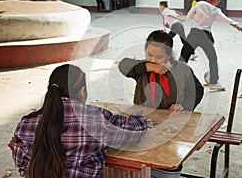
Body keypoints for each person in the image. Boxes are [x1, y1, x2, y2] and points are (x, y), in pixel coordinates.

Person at [8, 64, 148, 178]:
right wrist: (137, 117)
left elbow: (22, 165)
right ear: (82, 91)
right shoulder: (93, 118)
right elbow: (132, 133)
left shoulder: (25, 124)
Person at [119, 30, 204, 112]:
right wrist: (148, 66)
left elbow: (197, 90)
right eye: (149, 55)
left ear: (168, 56)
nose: (153, 60)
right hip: (143, 116)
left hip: (173, 118)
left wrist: (184, 106)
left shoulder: (183, 70)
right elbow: (123, 65)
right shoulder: (142, 68)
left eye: (159, 57)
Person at [186, 0, 242, 90]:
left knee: (184, 56)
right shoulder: (215, 10)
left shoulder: (199, 4)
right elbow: (226, 19)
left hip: (193, 33)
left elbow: (189, 16)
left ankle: (175, 78)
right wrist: (236, 25)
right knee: (212, 58)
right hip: (204, 35)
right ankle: (213, 82)